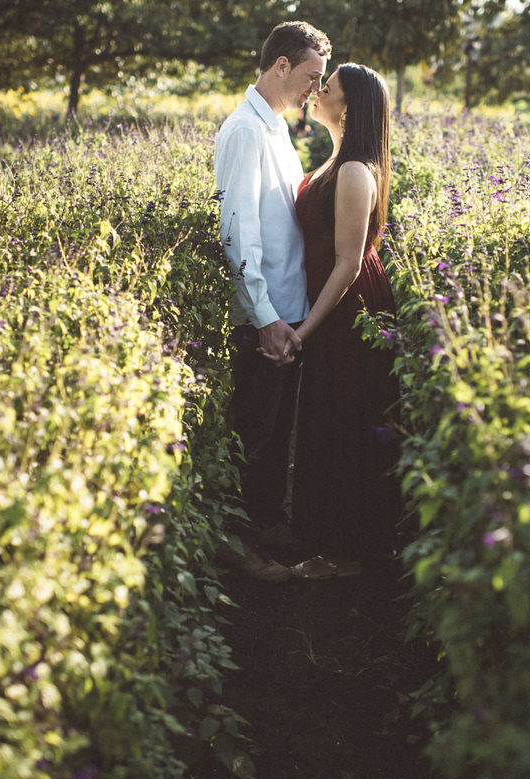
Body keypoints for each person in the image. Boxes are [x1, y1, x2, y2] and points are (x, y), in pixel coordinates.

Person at [214, 21, 331, 581]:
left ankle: (266, 528)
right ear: (280, 65)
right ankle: (244, 553)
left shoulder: (278, 128)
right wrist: (265, 318)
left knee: (273, 430)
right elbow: (238, 233)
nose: (316, 87)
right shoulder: (245, 132)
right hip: (268, 314)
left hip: (289, 308)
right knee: (255, 436)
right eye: (311, 76)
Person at [286, 64, 402, 578]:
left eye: (327, 86)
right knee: (328, 418)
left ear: (349, 105)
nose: (319, 89)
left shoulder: (354, 169)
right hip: (333, 305)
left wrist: (305, 328)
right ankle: (330, 542)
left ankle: (346, 555)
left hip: (350, 308)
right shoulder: (336, 157)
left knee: (342, 422)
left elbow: (350, 262)